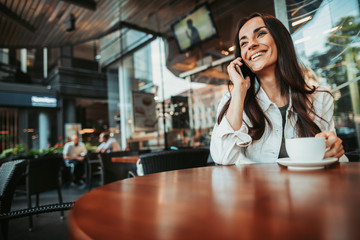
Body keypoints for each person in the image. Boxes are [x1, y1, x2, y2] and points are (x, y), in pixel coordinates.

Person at [210, 13, 346, 165]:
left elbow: (335, 160)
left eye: (260, 34)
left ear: (280, 40)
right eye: (243, 43)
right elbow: (222, 157)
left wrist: (334, 151)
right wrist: (238, 92)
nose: (251, 45)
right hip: (254, 188)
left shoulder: (320, 98)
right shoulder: (234, 99)